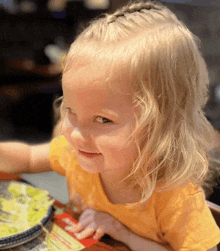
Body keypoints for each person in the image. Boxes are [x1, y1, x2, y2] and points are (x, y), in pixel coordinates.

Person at [1, 1, 220, 250]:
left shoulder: (175, 197)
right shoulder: (76, 153)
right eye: (71, 111)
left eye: (103, 120)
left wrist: (123, 233)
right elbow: (29, 158)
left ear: (162, 127)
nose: (77, 134)